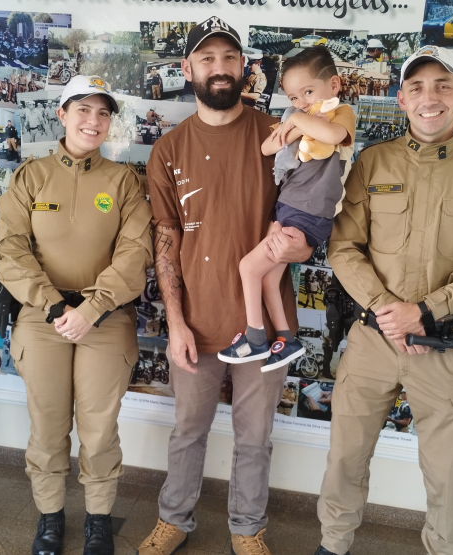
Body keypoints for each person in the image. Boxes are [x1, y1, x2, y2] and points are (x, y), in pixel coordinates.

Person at [314, 46, 453, 555]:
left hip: (441, 346)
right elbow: (344, 246)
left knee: (447, 471)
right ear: (402, 99)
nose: (430, 97)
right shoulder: (373, 161)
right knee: (344, 457)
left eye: (443, 85)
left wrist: (425, 312)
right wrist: (388, 311)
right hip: (372, 340)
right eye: (417, 87)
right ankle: (333, 543)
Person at [137, 17, 311, 555]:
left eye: (229, 58)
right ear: (187, 68)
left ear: (244, 67)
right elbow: (166, 240)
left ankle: (247, 529)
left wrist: (304, 247)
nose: (219, 68)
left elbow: (311, 216)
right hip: (197, 321)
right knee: (187, 432)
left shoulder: (280, 135)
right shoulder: (168, 150)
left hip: (267, 328)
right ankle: (173, 519)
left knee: (254, 438)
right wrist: (175, 323)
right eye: (207, 58)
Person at [0, 75, 152, 555]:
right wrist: (55, 305)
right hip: (43, 317)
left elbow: (135, 253)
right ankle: (50, 515)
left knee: (99, 430)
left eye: (103, 113)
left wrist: (93, 307)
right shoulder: (31, 177)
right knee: (47, 425)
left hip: (105, 320)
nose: (93, 121)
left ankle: (99, 519)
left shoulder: (124, 182)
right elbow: (9, 250)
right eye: (83, 109)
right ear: (62, 115)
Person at [220, 45, 355, 369]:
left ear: (333, 85)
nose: (301, 102)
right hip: (288, 206)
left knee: (248, 268)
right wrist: (294, 122)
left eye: (308, 92)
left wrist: (297, 119)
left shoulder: (341, 112)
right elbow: (268, 147)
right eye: (294, 97)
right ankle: (285, 339)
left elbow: (332, 135)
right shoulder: (299, 117)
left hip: (308, 211)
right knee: (268, 279)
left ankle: (255, 339)